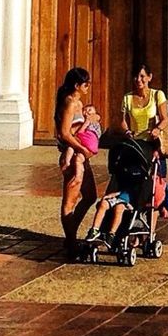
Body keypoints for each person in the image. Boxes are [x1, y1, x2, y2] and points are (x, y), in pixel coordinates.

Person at [55, 67, 98, 253]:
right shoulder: (70, 103)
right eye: (85, 84)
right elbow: (64, 133)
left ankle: (71, 233)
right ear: (76, 85)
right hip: (73, 156)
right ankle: (71, 240)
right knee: (70, 201)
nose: (88, 87)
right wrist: (81, 148)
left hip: (81, 156)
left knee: (90, 196)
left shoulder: (79, 103)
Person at [122, 63, 168, 213]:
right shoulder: (128, 98)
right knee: (136, 183)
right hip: (136, 146)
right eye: (136, 76)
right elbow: (123, 120)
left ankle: (153, 225)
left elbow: (165, 118)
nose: (139, 80)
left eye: (142, 76)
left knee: (155, 186)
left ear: (149, 77)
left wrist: (157, 129)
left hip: (152, 145)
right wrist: (126, 131)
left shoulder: (157, 95)